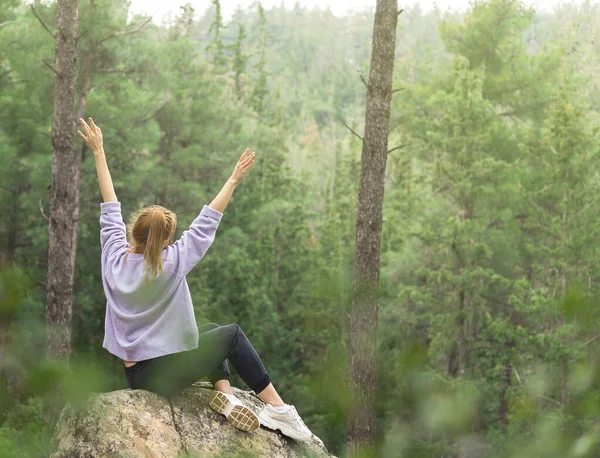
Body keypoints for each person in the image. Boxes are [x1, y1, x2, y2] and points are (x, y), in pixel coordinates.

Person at [78, 117, 312, 441]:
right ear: (163, 242)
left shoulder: (113, 256)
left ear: (133, 231)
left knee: (209, 332)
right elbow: (205, 224)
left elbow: (110, 203)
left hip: (137, 374)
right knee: (230, 336)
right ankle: (277, 407)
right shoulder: (170, 263)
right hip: (160, 377)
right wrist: (232, 180)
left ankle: (226, 396)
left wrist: (99, 152)